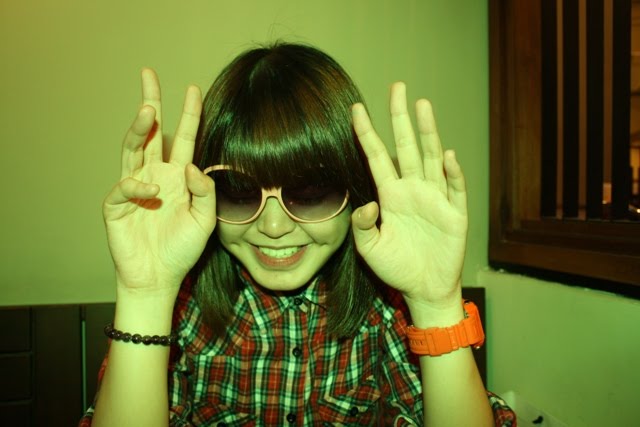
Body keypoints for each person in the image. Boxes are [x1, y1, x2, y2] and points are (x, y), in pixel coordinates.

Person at [80, 42, 516, 426]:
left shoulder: (385, 308)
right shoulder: (184, 309)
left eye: (310, 192)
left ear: (356, 192)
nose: (273, 227)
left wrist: (436, 306)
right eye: (238, 191)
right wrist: (146, 297)